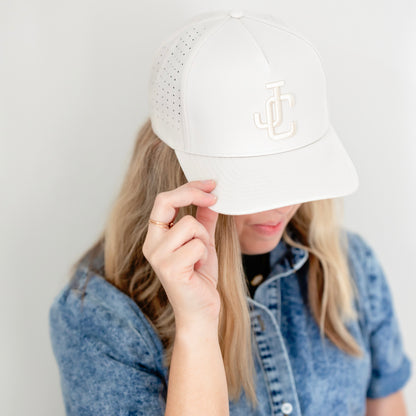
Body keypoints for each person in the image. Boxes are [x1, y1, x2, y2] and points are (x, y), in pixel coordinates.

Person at [49, 9, 413, 416]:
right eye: (252, 182)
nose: (281, 206)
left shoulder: (349, 267)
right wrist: (197, 328)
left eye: (295, 173)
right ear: (176, 170)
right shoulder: (102, 318)